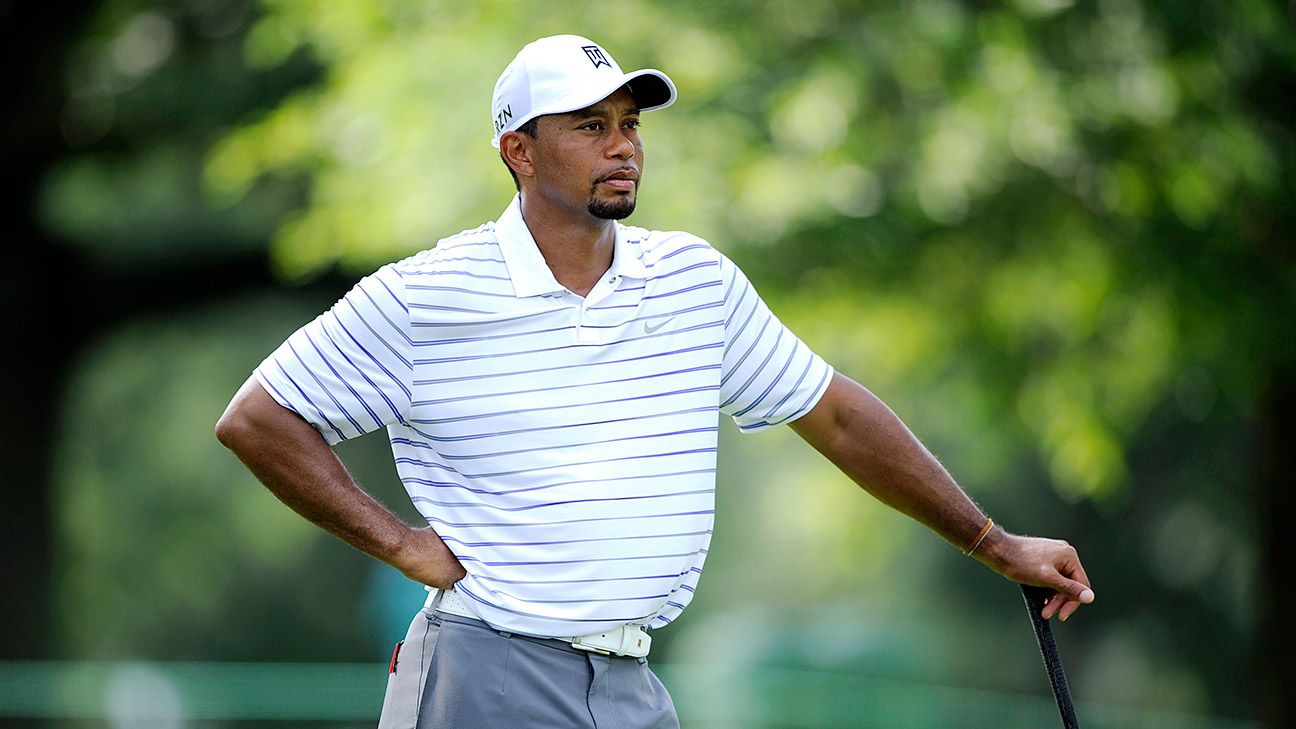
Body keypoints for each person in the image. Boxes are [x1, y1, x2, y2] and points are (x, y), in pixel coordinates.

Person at [215, 34, 1094, 729]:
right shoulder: (429, 295)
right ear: (518, 150)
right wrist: (402, 545)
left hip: (629, 681)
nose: (623, 146)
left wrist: (994, 541)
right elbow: (259, 419)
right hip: (490, 673)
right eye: (589, 127)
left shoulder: (693, 282)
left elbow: (836, 418)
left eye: (629, 124)